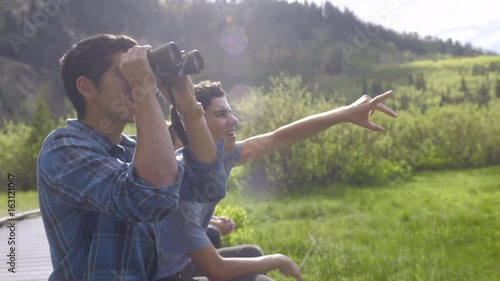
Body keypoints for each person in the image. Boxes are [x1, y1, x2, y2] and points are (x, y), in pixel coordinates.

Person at [156, 80, 397, 281]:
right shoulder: (180, 183)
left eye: (230, 111)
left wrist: (344, 113)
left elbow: (278, 137)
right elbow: (216, 270)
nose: (234, 120)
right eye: (221, 114)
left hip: (181, 265)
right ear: (194, 124)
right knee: (261, 278)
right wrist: (277, 259)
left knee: (252, 253)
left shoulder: (222, 154)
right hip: (161, 276)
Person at [36, 34, 225, 280]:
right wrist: (144, 92)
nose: (141, 80)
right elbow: (151, 196)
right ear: (86, 87)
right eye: (123, 73)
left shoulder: (132, 150)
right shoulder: (62, 149)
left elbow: (209, 185)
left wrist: (187, 101)